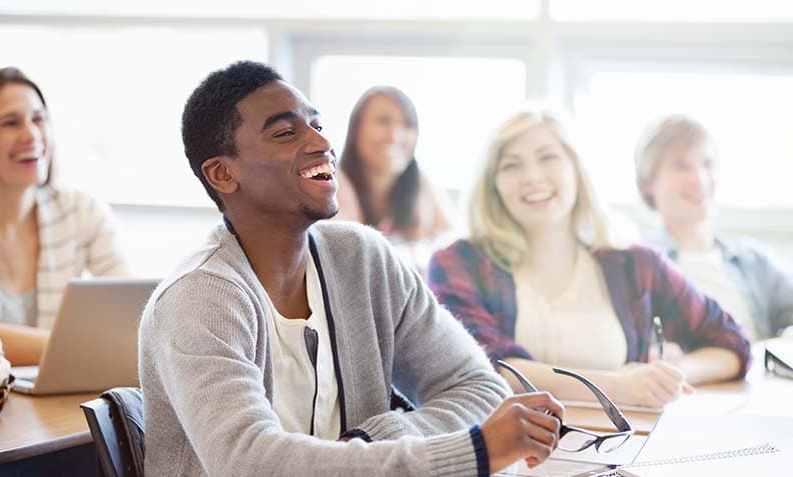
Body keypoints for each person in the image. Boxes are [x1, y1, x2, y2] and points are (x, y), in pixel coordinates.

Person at [139, 61, 564, 477]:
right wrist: (472, 452)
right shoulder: (200, 298)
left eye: (317, 125)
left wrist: (377, 437)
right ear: (223, 174)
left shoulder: (362, 259)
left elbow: (479, 388)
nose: (321, 142)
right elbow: (251, 473)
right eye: (285, 133)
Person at [427, 107, 751, 409]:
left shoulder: (634, 264)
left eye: (548, 157)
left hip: (624, 450)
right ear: (493, 184)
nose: (532, 176)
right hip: (509, 462)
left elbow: (732, 344)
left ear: (577, 170)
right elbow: (486, 369)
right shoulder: (458, 263)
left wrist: (667, 374)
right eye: (512, 164)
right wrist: (620, 387)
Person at [0, 67, 128, 366]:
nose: (31, 135)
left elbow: (133, 319)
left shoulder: (81, 211)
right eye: (10, 123)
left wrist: (79, 348)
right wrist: (73, 347)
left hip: (53, 405)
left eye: (38, 119)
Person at [634, 114, 793, 342]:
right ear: (648, 182)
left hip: (756, 375)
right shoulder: (639, 265)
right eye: (681, 166)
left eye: (707, 164)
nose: (699, 179)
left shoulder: (754, 261)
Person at [333, 86, 454, 272]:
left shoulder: (423, 186)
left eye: (407, 124)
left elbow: (454, 247)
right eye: (382, 121)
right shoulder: (332, 188)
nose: (395, 136)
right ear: (356, 129)